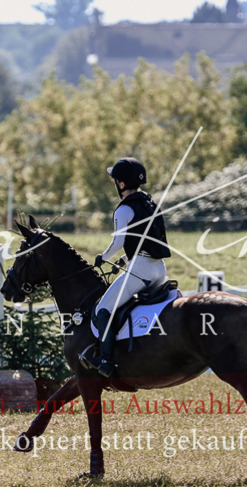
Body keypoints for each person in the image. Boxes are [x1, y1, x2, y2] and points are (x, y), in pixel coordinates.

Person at [81, 157, 172, 377]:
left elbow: (118, 242)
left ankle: (106, 361)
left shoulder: (123, 210)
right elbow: (145, 240)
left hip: (140, 272)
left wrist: (103, 257)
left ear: (121, 184)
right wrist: (124, 260)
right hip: (159, 270)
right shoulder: (151, 204)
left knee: (103, 310)